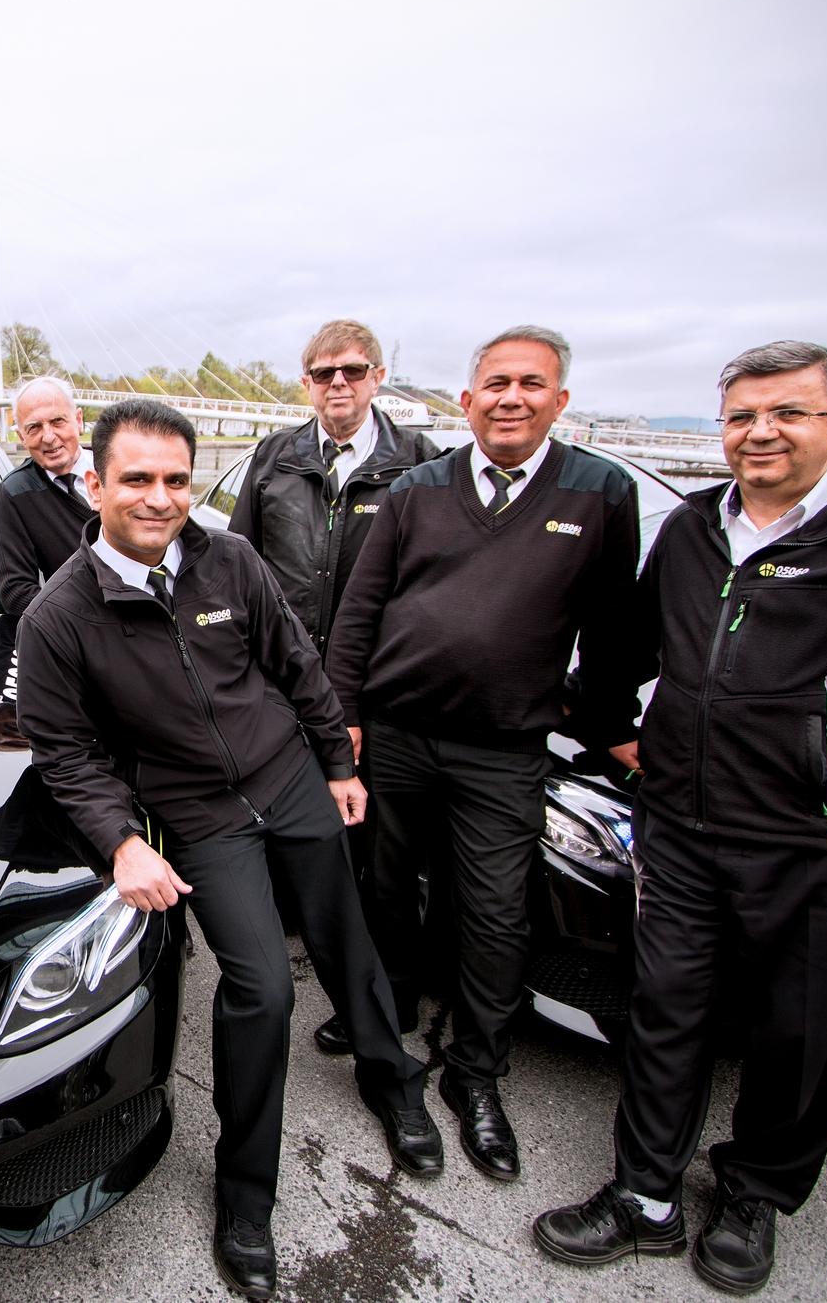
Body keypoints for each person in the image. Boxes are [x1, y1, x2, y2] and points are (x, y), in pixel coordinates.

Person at [534, 341, 827, 1294]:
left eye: (788, 412)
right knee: (667, 1014)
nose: (761, 432)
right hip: (682, 829)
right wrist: (615, 729)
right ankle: (646, 1194)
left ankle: (755, 1193)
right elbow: (625, 646)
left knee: (803, 1035)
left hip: (822, 847)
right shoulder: (694, 529)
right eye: (743, 415)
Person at [15, 399, 436, 1301]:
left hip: (287, 775)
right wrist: (123, 843)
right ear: (95, 484)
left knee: (344, 934)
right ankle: (247, 1197)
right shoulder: (58, 616)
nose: (160, 498)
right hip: (199, 814)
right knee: (262, 987)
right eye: (136, 478)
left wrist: (335, 763)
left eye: (176, 479)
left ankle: (392, 1078)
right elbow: (66, 753)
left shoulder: (231, 559)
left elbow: (296, 664)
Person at [323, 325, 640, 1185]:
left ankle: (476, 1072)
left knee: (497, 912)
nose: (511, 398)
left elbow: (614, 629)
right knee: (386, 889)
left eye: (531, 384)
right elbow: (361, 609)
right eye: (496, 383)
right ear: (467, 401)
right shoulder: (418, 488)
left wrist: (609, 720)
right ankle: (387, 1029)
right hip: (398, 732)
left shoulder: (600, 491)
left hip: (504, 746)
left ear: (560, 401)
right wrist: (344, 717)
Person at [228, 319, 440, 1056]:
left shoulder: (421, 464)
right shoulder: (275, 457)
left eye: (352, 370)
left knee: (380, 853)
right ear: (307, 383)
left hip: (377, 689)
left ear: (378, 376)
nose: (338, 383)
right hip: (283, 681)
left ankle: (378, 1000)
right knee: (293, 823)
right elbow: (237, 562)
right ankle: (295, 944)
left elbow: (432, 585)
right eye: (323, 373)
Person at [0, 376, 98, 698]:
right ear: (21, 436)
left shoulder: (120, 469)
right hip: (78, 644)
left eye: (58, 421)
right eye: (34, 427)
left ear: (78, 420)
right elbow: (16, 591)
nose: (48, 437)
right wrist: (88, 620)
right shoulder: (16, 493)